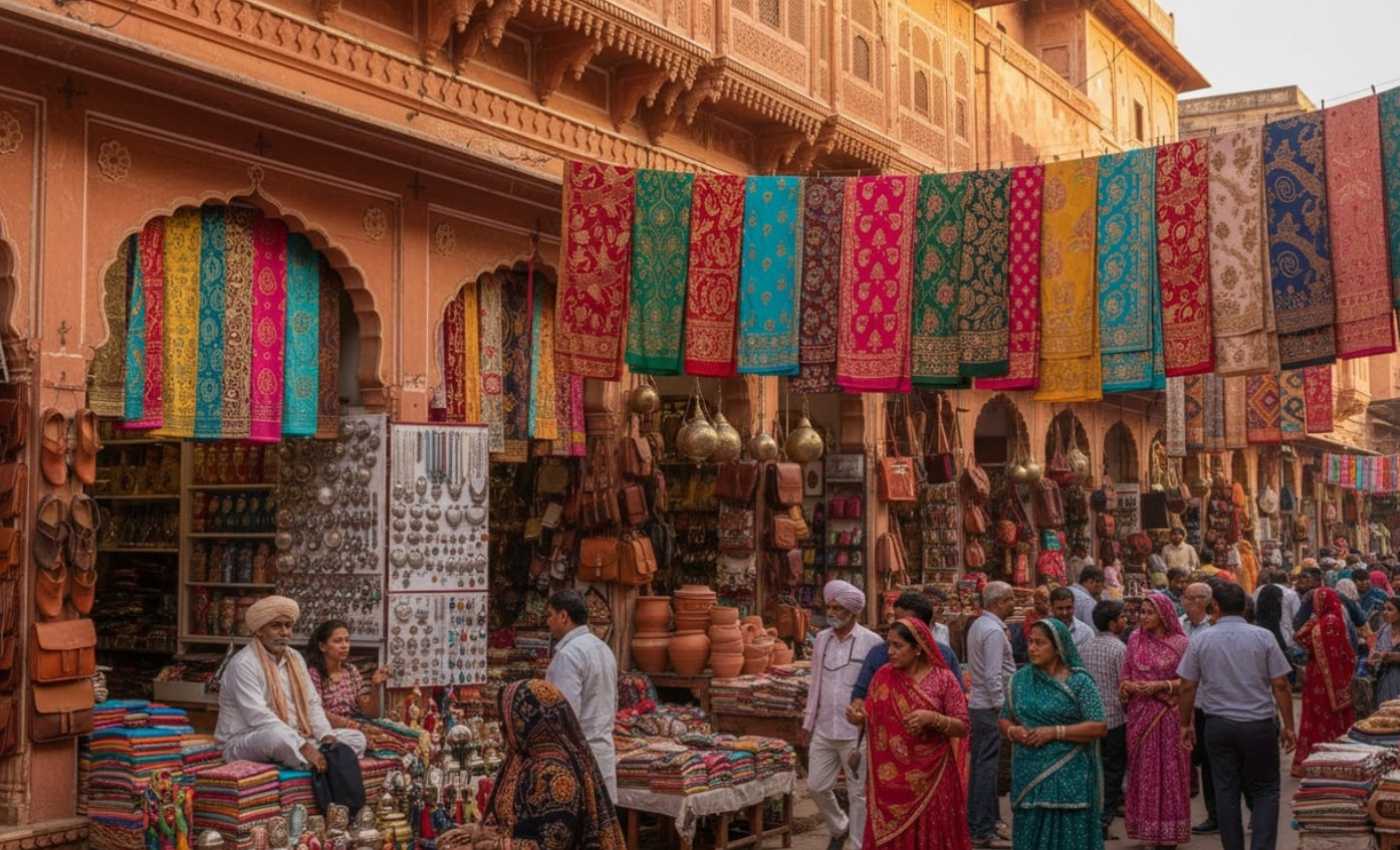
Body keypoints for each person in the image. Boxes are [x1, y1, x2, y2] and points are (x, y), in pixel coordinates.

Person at [438, 679, 625, 850]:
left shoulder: (556, 775)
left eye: (507, 721)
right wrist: (476, 832)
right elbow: (506, 821)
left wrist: (488, 845)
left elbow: (551, 843)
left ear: (525, 722)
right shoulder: (521, 758)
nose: (502, 729)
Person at [1177, 582, 1296, 850]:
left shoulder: (1201, 640)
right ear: (1244, 607)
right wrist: (1289, 726)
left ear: (1215, 607)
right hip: (1259, 724)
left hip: (1218, 725)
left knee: (1226, 790)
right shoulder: (1263, 637)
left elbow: (1187, 686)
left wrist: (1185, 724)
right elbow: (1280, 684)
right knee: (1265, 789)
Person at [856, 617, 970, 850]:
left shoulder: (943, 679)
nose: (890, 652)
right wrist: (857, 717)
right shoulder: (883, 676)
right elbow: (871, 716)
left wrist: (933, 719)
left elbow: (962, 725)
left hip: (933, 778)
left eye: (898, 646)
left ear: (918, 648)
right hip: (890, 782)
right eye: (889, 644)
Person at [215, 596, 367, 770]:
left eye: (288, 626)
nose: (284, 632)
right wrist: (302, 745)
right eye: (276, 626)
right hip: (247, 739)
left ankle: (315, 759)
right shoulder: (244, 664)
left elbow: (311, 703)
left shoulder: (295, 658)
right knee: (276, 738)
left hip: (297, 735)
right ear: (259, 631)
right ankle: (315, 760)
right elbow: (258, 716)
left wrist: (326, 736)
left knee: (357, 739)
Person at [999, 618, 1108, 850]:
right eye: (1030, 642)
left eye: (1040, 643)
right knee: (1030, 831)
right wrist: (1012, 730)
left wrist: (1055, 732)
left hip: (1069, 774)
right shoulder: (1020, 680)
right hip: (1028, 773)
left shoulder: (1079, 681)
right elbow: (1005, 717)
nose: (1032, 648)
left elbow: (1098, 726)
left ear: (1058, 647)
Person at [803, 580, 883, 850]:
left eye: (838, 608)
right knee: (815, 786)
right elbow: (815, 683)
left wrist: (869, 718)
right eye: (829, 607)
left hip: (856, 733)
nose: (832, 613)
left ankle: (857, 845)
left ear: (852, 611)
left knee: (858, 793)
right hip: (825, 727)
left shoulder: (872, 642)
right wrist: (808, 722)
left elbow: (878, 687)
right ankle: (840, 826)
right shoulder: (822, 640)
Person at [1121, 592, 1191, 849]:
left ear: (1164, 614)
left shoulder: (1180, 643)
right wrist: (1129, 686)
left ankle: (1170, 830)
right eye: (1142, 612)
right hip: (1140, 714)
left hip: (1169, 715)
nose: (1144, 617)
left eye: (1150, 612)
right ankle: (1147, 828)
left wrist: (1161, 685)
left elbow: (1190, 681)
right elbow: (1125, 674)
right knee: (1144, 771)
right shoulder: (1134, 639)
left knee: (1170, 771)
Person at [544, 590, 618, 799]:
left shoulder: (569, 655)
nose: (548, 622)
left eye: (550, 615)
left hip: (578, 758)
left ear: (563, 616)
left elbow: (564, 714)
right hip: (602, 752)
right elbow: (613, 703)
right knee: (603, 816)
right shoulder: (604, 649)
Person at [850, 591, 962, 715]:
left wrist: (935, 719)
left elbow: (958, 707)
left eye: (905, 623)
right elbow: (860, 695)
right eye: (896, 620)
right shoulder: (879, 654)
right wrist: (858, 710)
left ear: (923, 627)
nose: (897, 627)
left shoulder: (945, 656)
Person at [966, 581, 1017, 849]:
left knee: (983, 767)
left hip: (981, 706)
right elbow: (992, 675)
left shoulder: (980, 625)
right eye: (1010, 599)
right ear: (998, 603)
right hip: (989, 708)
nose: (1013, 604)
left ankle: (984, 822)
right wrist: (1002, 708)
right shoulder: (993, 631)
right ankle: (983, 827)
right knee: (987, 769)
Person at [1291, 587, 1356, 776]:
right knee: (1328, 718)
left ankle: (1316, 761)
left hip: (1320, 677)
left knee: (1318, 716)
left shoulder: (1325, 622)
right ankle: (1335, 761)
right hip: (1332, 678)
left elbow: (1299, 636)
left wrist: (1313, 620)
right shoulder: (1335, 619)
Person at [1080, 600, 1127, 839]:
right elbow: (1124, 686)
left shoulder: (1086, 646)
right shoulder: (1119, 649)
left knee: (1093, 770)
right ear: (1112, 623)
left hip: (1090, 718)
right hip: (1115, 719)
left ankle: (1093, 818)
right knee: (1113, 771)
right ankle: (1104, 819)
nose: (1125, 621)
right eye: (1121, 617)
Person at [305, 619, 390, 728]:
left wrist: (375, 685)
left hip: (353, 726)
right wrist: (353, 726)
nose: (344, 645)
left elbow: (372, 714)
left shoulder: (351, 671)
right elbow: (317, 712)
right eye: (338, 641)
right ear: (322, 646)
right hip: (328, 729)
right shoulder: (314, 674)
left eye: (347, 640)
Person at [1369, 597, 1400, 703]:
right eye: (1384, 609)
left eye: (1390, 609)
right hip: (1384, 681)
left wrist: (1393, 656)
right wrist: (1373, 657)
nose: (1385, 613)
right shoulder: (1383, 629)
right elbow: (1375, 649)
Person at [1010, 586, 1051, 665]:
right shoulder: (1029, 616)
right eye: (1039, 602)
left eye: (1046, 601)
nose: (1045, 605)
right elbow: (1028, 638)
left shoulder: (1052, 616)